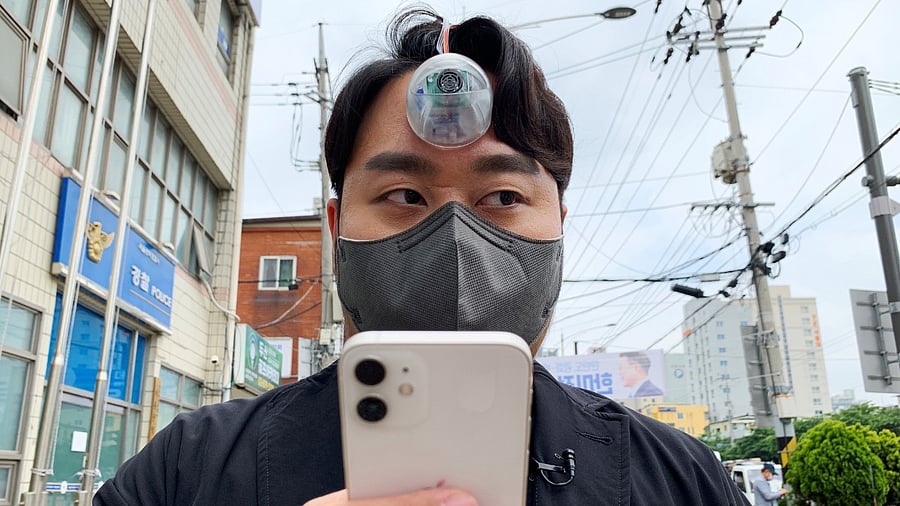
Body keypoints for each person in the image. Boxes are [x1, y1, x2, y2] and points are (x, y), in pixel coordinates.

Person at [95, 8, 750, 505]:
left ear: (560, 227)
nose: (456, 244)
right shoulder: (182, 473)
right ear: (335, 229)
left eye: (501, 195)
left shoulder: (684, 480)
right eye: (404, 194)